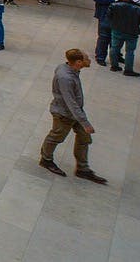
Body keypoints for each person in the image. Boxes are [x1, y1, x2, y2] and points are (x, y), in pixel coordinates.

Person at [38, 49, 107, 184]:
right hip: (64, 114)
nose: (90, 60)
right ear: (78, 62)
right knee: (56, 136)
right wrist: (85, 122)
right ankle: (46, 159)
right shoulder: (66, 78)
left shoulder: (66, 68)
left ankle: (83, 168)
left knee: (84, 138)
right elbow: (71, 102)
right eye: (87, 58)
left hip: (74, 113)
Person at [92, 0, 129, 65]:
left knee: (117, 38)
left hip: (120, 18)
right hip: (105, 16)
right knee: (104, 37)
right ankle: (100, 57)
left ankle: (116, 56)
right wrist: (113, 1)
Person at [108, 0, 140, 76]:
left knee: (114, 48)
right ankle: (128, 70)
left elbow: (109, 16)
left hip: (117, 30)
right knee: (130, 51)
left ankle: (114, 66)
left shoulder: (114, 5)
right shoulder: (138, 8)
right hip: (132, 32)